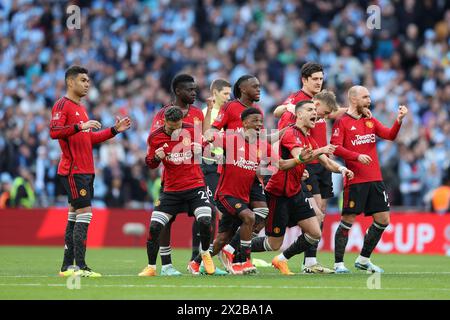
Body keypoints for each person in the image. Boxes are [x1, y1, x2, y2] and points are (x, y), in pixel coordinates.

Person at [273, 62, 369, 273]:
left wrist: (357, 110)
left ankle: (309, 261)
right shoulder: (297, 100)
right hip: (305, 162)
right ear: (304, 80)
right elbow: (278, 111)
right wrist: (287, 108)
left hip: (322, 160)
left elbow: (335, 112)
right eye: (314, 79)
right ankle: (273, 254)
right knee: (313, 213)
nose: (318, 82)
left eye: (320, 78)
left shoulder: (321, 104)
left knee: (322, 212)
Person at [250, 100, 354, 275]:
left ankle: (281, 260)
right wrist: (320, 150)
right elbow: (299, 156)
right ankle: (236, 247)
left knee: (315, 233)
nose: (315, 113)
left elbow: (326, 162)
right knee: (273, 243)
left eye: (315, 109)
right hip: (279, 193)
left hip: (295, 191)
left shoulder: (308, 137)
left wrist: (342, 169)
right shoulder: (291, 133)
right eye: (310, 109)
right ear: (299, 115)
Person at [50, 65, 131, 278]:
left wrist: (114, 131)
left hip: (86, 170)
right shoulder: (62, 105)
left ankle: (67, 267)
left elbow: (89, 138)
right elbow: (54, 132)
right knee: (85, 214)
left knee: (74, 217)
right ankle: (80, 267)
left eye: (88, 81)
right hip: (73, 171)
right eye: (83, 80)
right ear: (70, 82)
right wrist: (79, 127)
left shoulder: (81, 108)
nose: (87, 84)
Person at [330, 85, 408, 273]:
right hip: (355, 180)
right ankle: (338, 263)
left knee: (383, 219)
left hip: (375, 179)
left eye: (369, 97)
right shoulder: (342, 122)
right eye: (365, 97)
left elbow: (389, 135)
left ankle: (364, 259)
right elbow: (335, 147)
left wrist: (398, 120)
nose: (369, 100)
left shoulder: (370, 119)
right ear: (354, 99)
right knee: (347, 221)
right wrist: (356, 157)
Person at [204, 75, 270, 273]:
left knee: (261, 214)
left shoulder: (257, 113)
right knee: (237, 222)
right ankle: (227, 258)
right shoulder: (230, 107)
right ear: (242, 89)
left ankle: (233, 251)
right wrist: (219, 152)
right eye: (255, 86)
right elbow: (213, 131)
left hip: (251, 169)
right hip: (232, 170)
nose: (259, 89)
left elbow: (262, 139)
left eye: (259, 85)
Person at [140, 106, 216, 276]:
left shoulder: (191, 130)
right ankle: (152, 267)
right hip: (171, 190)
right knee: (154, 227)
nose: (176, 131)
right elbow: (149, 163)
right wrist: (156, 158)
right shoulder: (155, 137)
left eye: (178, 127)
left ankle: (205, 254)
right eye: (172, 128)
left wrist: (204, 147)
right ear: (165, 122)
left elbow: (206, 146)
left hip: (195, 186)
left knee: (205, 219)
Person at [150, 74, 205, 276]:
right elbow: (156, 142)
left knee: (206, 216)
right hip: (172, 178)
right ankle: (166, 264)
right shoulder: (163, 114)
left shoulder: (198, 113)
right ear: (178, 91)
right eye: (190, 90)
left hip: (196, 176)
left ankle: (197, 260)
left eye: (194, 89)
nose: (194, 93)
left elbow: (205, 139)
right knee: (167, 220)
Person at [189, 79, 232, 267]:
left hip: (227, 166)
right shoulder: (207, 113)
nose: (229, 97)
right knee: (209, 211)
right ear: (214, 93)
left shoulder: (228, 113)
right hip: (210, 165)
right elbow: (200, 140)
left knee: (224, 211)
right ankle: (197, 256)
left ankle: (224, 253)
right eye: (225, 94)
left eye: (230, 94)